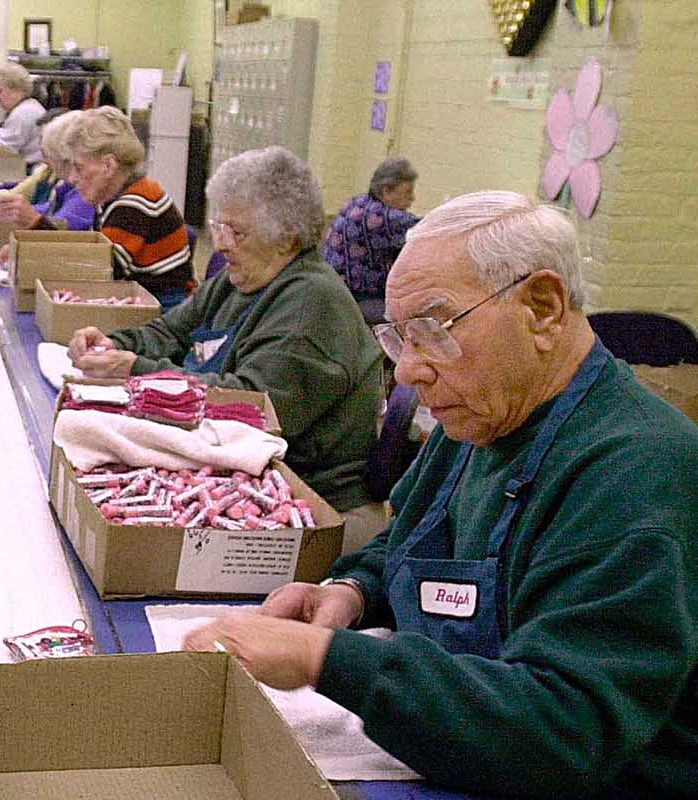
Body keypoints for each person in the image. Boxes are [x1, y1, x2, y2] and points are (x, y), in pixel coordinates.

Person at [185, 191, 698, 798]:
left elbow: (565, 728)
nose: (407, 371)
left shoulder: (633, 475)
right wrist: (353, 592)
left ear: (542, 309)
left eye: (432, 330)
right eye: (400, 338)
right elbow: (411, 542)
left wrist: (325, 658)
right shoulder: (484, 416)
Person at [68, 146, 385, 550]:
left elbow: (251, 409)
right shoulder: (241, 279)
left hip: (306, 502)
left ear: (287, 239)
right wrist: (114, 344)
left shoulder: (310, 304)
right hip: (231, 468)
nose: (220, 244)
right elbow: (171, 331)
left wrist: (136, 369)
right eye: (218, 226)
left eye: (237, 232)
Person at [64, 106, 194, 307]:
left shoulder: (135, 202)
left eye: (78, 167)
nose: (72, 178)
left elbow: (103, 271)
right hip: (141, 298)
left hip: (163, 307)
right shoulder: (111, 197)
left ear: (108, 166)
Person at [0, 109, 96, 253]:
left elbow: (60, 239)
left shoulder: (83, 193)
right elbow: (35, 208)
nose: (42, 152)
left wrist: (30, 218)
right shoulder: (51, 175)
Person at [323, 157, 421, 324]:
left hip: (334, 291)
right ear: (387, 191)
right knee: (413, 318)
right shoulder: (383, 218)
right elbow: (428, 229)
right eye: (407, 192)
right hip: (356, 299)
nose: (412, 198)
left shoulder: (358, 203)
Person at [0, 61, 46, 167]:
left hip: (27, 170)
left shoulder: (22, 114)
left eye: (0, 91)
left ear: (16, 90)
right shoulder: (30, 106)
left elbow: (2, 152)